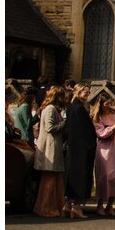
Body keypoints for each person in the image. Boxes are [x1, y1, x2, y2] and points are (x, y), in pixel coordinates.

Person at [33, 85, 68, 217]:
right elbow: (50, 127)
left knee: (53, 179)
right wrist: (64, 123)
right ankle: (46, 208)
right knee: (50, 179)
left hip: (53, 147)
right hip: (50, 148)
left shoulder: (51, 108)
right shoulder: (50, 109)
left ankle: (54, 207)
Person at [64, 82, 96, 218]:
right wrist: (92, 144)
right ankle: (76, 206)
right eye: (85, 92)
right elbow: (86, 130)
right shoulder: (79, 109)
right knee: (81, 176)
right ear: (78, 93)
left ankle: (66, 205)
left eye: (88, 92)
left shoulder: (71, 107)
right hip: (82, 148)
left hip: (74, 147)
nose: (87, 95)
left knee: (72, 175)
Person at [91, 94, 115, 217]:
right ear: (101, 105)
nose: (109, 106)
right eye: (106, 104)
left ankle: (110, 204)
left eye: (110, 102)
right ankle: (99, 204)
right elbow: (102, 134)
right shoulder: (97, 116)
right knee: (103, 176)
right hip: (104, 147)